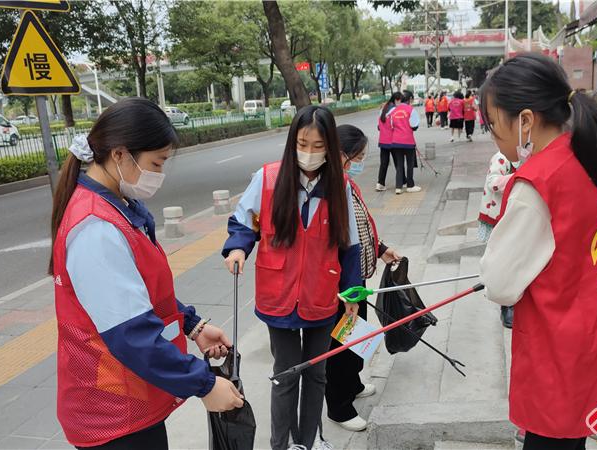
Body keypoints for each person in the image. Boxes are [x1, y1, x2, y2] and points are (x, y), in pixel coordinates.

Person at [478, 53, 597, 450]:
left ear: (525, 120)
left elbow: (499, 284)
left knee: (553, 440)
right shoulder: (580, 153)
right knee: (573, 439)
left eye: (492, 124)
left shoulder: (536, 183)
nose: (492, 135)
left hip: (561, 349)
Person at [49, 98, 243, 450]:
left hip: (129, 395)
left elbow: (142, 294)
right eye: (156, 163)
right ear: (119, 155)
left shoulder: (118, 206)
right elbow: (131, 334)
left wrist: (192, 325)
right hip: (112, 411)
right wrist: (204, 384)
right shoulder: (96, 228)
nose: (159, 174)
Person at [222, 105, 362, 450]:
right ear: (292, 142)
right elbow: (243, 221)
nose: (309, 152)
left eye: (318, 146)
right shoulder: (267, 178)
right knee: (286, 373)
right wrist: (237, 248)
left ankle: (309, 441)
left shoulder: (340, 185)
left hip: (322, 293)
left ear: (330, 147)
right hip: (278, 293)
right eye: (302, 144)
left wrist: (352, 293)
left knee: (316, 373)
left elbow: (349, 244)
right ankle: (281, 445)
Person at [325, 124, 402, 432]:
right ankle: (339, 407)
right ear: (339, 154)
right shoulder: (330, 189)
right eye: (356, 157)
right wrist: (345, 289)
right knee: (339, 347)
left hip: (356, 280)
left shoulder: (348, 183)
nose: (359, 163)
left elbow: (360, 228)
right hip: (340, 286)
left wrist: (380, 249)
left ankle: (353, 384)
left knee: (356, 339)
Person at [477, 151, 519, 329]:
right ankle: (507, 304)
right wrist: (519, 178)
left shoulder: (530, 155)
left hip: (518, 216)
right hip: (500, 218)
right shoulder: (501, 158)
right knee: (505, 261)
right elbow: (493, 182)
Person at [389, 90, 422, 195]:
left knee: (399, 164)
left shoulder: (393, 111)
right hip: (408, 141)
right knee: (409, 164)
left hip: (396, 141)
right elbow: (414, 125)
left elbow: (391, 126)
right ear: (410, 99)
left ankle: (398, 187)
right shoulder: (411, 110)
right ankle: (410, 185)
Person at [376, 92, 402, 192]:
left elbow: (379, 127)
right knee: (398, 162)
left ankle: (380, 183)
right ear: (397, 100)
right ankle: (402, 181)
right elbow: (396, 126)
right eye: (400, 101)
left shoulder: (383, 109)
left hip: (383, 141)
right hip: (393, 141)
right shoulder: (395, 110)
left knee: (384, 163)